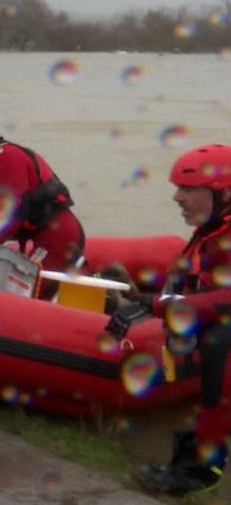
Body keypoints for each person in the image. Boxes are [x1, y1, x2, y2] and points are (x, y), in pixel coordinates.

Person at [106, 143, 231, 495]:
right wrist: (146, 301)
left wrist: (159, 304)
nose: (177, 197)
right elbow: (194, 285)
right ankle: (194, 452)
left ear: (223, 193)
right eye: (178, 188)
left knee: (222, 344)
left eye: (188, 189)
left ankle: (202, 470)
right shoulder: (211, 232)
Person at [0, 108, 85, 297]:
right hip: (42, 237)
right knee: (26, 292)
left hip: (58, 236)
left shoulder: (8, 157)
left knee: (30, 294)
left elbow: (15, 209)